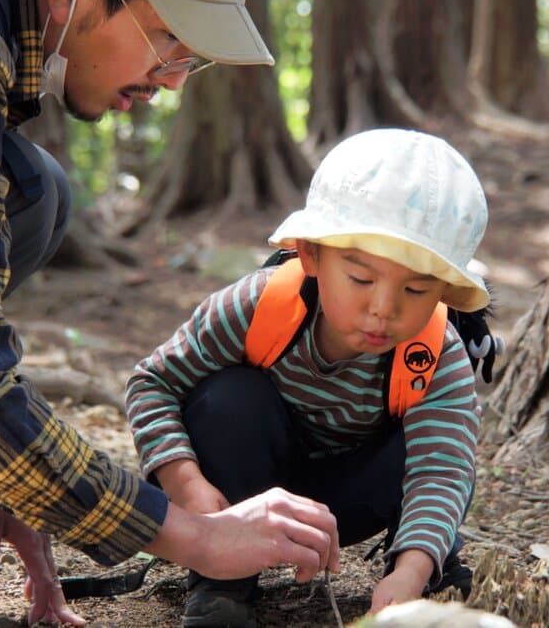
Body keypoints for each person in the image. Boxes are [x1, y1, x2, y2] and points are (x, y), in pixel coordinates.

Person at [0, 0, 338, 625]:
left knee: (32, 193)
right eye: (165, 40)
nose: (176, 80)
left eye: (191, 59)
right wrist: (194, 537)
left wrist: (10, 466)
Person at [125, 128, 490, 626]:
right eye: (361, 279)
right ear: (312, 254)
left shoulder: (434, 353)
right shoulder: (256, 307)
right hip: (247, 485)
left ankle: (422, 560)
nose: (383, 310)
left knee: (440, 448)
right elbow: (153, 383)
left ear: (444, 292)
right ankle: (221, 586)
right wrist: (184, 482)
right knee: (226, 398)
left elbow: (441, 471)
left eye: (417, 289)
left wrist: (412, 571)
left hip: (351, 498)